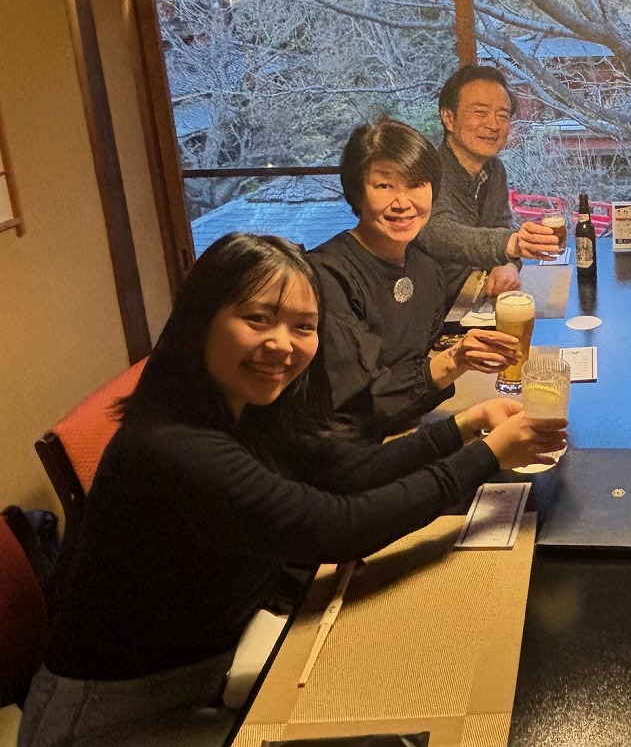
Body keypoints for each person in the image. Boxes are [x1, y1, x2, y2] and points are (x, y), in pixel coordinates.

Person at [18, 233, 565, 746]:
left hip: (219, 658)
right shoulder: (174, 448)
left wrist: (465, 426)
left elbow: (349, 470)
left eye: (303, 327)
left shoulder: (249, 406)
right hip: (115, 711)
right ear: (199, 319)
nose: (281, 344)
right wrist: (489, 456)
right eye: (258, 319)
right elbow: (339, 528)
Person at [310, 119, 521, 440]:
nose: (403, 202)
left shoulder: (427, 269)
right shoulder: (328, 275)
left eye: (416, 184)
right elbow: (356, 403)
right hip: (351, 447)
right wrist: (452, 362)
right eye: (384, 186)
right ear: (356, 192)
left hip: (412, 430)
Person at [416, 64, 561, 298]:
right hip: (436, 303)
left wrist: (509, 264)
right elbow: (438, 232)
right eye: (480, 112)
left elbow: (501, 225)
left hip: (478, 295)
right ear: (448, 118)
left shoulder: (494, 170)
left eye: (502, 115)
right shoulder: (427, 170)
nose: (493, 125)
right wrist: (510, 245)